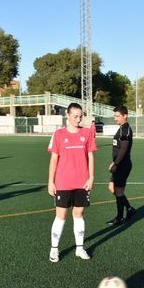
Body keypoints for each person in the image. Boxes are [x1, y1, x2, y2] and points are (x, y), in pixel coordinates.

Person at [47, 103, 97, 262]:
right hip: (63, 182)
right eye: (75, 116)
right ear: (67, 116)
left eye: (80, 116)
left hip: (82, 182)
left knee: (78, 214)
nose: (78, 119)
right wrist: (50, 181)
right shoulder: (58, 134)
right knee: (60, 216)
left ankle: (79, 248)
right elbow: (54, 159)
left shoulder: (87, 133)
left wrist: (91, 177)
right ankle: (54, 249)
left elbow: (90, 156)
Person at [106, 105, 136, 226]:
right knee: (112, 188)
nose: (115, 118)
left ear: (125, 116)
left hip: (122, 165)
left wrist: (115, 163)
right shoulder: (121, 128)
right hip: (119, 165)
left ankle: (119, 217)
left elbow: (123, 149)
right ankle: (129, 209)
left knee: (118, 191)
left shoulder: (125, 129)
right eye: (115, 116)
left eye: (117, 116)